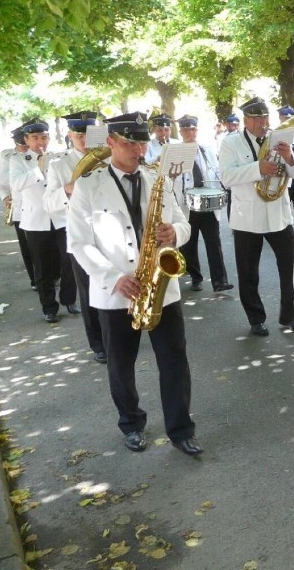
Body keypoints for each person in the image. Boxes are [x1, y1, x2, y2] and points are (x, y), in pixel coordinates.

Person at [67, 111, 202, 456]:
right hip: (116, 291)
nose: (138, 150)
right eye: (130, 142)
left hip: (160, 288)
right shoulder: (88, 185)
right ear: (110, 141)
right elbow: (79, 244)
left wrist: (175, 233)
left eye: (141, 142)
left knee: (174, 361)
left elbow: (183, 224)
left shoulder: (158, 179)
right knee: (120, 364)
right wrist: (114, 279)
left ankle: (181, 429)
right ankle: (130, 423)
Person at [218, 96, 294, 336]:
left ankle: (289, 315)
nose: (263, 122)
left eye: (265, 117)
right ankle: (256, 318)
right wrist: (259, 169)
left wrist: (289, 158)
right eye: (257, 118)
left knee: (291, 266)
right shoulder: (231, 143)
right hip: (247, 217)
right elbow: (226, 177)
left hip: (278, 214)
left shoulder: (279, 137)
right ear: (246, 120)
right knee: (248, 273)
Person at [44, 111, 106, 362]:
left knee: (117, 285)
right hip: (81, 235)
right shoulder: (59, 164)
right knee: (89, 291)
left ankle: (119, 334)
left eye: (88, 134)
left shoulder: (107, 158)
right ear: (70, 135)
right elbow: (49, 202)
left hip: (111, 232)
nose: (83, 139)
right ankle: (99, 344)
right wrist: (69, 188)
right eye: (78, 134)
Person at [10, 118, 78, 323]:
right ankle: (49, 306)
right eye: (36, 138)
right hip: (36, 220)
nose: (41, 142)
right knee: (42, 267)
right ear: (27, 140)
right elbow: (16, 185)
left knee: (70, 259)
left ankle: (69, 299)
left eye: (44, 137)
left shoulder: (58, 158)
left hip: (61, 217)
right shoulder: (18, 160)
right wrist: (38, 169)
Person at [173, 115, 233, 293]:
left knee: (214, 242)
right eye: (186, 130)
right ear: (181, 132)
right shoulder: (175, 152)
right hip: (187, 205)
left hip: (207, 204)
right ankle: (196, 277)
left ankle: (219, 281)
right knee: (189, 244)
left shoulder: (206, 150)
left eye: (193, 129)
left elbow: (216, 172)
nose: (190, 132)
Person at [0, 123, 36, 289]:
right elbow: (1, 182)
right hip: (19, 206)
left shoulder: (39, 154)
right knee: (26, 245)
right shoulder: (8, 157)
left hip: (40, 205)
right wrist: (5, 197)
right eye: (21, 144)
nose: (24, 147)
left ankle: (50, 274)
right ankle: (35, 279)